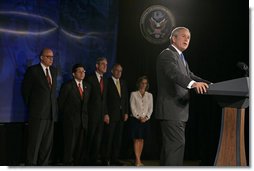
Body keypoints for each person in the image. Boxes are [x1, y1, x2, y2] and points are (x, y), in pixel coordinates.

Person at [155, 26, 211, 166]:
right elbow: (174, 73)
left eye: (189, 37)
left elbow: (190, 75)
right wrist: (193, 84)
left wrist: (211, 85)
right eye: (183, 36)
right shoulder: (167, 54)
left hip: (177, 112)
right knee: (175, 148)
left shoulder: (180, 57)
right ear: (173, 38)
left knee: (171, 150)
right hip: (171, 111)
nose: (187, 39)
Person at [22, 48, 57, 165]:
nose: (51, 59)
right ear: (41, 57)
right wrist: (34, 107)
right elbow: (25, 91)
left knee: (46, 147)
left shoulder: (54, 71)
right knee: (34, 145)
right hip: (37, 115)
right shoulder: (33, 71)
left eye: (52, 57)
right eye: (48, 56)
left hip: (51, 114)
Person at [58, 64, 91, 165]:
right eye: (79, 71)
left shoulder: (87, 86)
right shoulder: (67, 86)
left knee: (80, 147)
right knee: (69, 146)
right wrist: (68, 118)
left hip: (83, 122)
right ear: (73, 73)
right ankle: (67, 164)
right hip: (70, 122)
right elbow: (61, 104)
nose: (82, 73)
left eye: (83, 71)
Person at [101, 63, 129, 166]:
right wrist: (106, 113)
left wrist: (126, 112)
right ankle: (105, 159)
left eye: (120, 71)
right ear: (112, 71)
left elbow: (125, 99)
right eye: (117, 70)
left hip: (121, 116)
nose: (119, 72)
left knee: (117, 139)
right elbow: (104, 100)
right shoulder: (107, 82)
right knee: (108, 138)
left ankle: (114, 159)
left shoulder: (123, 82)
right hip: (110, 116)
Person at [86, 57, 108, 165]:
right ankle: (85, 162)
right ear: (97, 65)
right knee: (89, 139)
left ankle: (93, 163)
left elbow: (105, 99)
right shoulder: (89, 79)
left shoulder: (105, 80)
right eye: (103, 64)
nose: (105, 66)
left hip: (101, 117)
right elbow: (86, 99)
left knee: (98, 141)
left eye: (106, 64)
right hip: (91, 116)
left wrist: (106, 113)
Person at [130, 76, 153, 166]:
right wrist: (139, 117)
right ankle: (137, 160)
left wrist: (146, 117)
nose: (144, 85)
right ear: (139, 83)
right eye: (142, 83)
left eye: (145, 83)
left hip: (145, 120)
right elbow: (133, 107)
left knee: (142, 140)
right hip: (136, 120)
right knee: (136, 140)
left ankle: (138, 160)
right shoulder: (134, 94)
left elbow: (150, 109)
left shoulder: (149, 95)